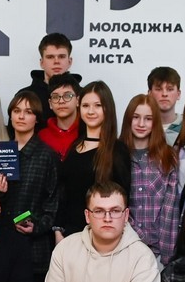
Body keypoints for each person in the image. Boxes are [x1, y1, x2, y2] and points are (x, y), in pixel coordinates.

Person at [1, 90, 60, 282]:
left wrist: (37, 225)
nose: (21, 116)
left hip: (36, 248)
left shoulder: (47, 155)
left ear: (37, 118)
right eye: (17, 110)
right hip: (1, 244)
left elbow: (54, 203)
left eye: (28, 112)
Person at [53, 81, 131, 243]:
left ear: (107, 108)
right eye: (85, 105)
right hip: (69, 236)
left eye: (97, 105)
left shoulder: (117, 150)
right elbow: (63, 193)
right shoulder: (74, 146)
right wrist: (58, 230)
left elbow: (122, 199)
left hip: (102, 238)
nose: (90, 111)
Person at [121, 92, 179, 266]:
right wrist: (137, 235)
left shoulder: (168, 157)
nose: (141, 124)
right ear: (128, 119)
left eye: (148, 119)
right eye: (136, 117)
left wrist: (167, 257)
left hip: (157, 252)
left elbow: (170, 209)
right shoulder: (117, 155)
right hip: (122, 247)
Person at [18, 32, 74, 129]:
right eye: (50, 57)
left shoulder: (82, 95)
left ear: (69, 62)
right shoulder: (25, 96)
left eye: (61, 56)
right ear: (42, 63)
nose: (56, 61)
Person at [37, 73, 82, 160]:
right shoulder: (42, 136)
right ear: (50, 103)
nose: (61, 101)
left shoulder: (86, 132)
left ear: (78, 100)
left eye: (67, 96)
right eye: (55, 97)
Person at [147, 66, 183, 145]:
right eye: (158, 89)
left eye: (170, 89)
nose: (164, 94)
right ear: (150, 94)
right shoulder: (141, 126)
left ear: (178, 94)